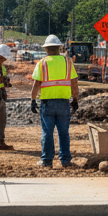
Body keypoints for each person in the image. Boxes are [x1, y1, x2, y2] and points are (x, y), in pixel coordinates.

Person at [29, 34, 79, 168]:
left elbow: (36, 84)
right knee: (64, 132)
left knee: (47, 132)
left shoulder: (42, 63)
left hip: (47, 104)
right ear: (59, 48)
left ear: (46, 49)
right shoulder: (68, 62)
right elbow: (74, 83)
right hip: (63, 103)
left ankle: (46, 160)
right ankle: (66, 160)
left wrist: (33, 100)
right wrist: (75, 99)